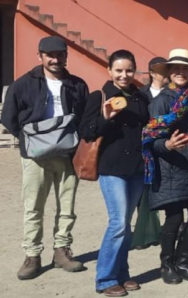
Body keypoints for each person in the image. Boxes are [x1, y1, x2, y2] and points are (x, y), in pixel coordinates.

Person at [2, 36, 88, 280]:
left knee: (67, 206)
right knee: (33, 206)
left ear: (66, 56)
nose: (55, 59)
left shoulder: (77, 85)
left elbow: (83, 116)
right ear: (39, 56)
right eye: (50, 55)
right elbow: (8, 116)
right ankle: (32, 255)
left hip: (68, 153)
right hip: (35, 155)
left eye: (60, 54)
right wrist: (28, 139)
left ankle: (61, 250)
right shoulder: (22, 85)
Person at [79, 50, 149, 296]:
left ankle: (122, 273)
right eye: (118, 70)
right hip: (113, 169)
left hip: (137, 169)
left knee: (126, 225)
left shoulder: (141, 97)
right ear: (109, 71)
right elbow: (86, 131)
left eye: (129, 70)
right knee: (118, 223)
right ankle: (105, 279)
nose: (124, 75)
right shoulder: (100, 96)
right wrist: (105, 118)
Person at [143, 49, 188, 284]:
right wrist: (168, 145)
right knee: (173, 220)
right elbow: (152, 138)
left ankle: (184, 261)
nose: (181, 72)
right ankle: (167, 264)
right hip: (171, 168)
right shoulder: (161, 101)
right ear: (169, 73)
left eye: (185, 68)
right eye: (176, 68)